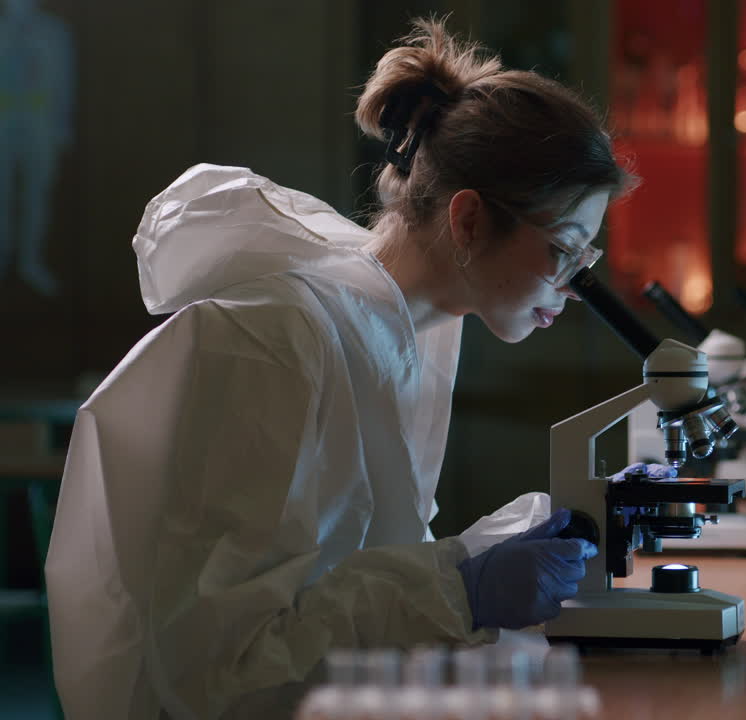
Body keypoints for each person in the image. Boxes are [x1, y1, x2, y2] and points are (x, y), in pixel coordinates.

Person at [44, 19, 634, 720]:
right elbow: (224, 676)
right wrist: (457, 590)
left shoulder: (414, 334)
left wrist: (477, 559)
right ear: (470, 220)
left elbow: (346, 573)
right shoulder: (277, 342)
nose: (571, 288)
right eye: (564, 251)